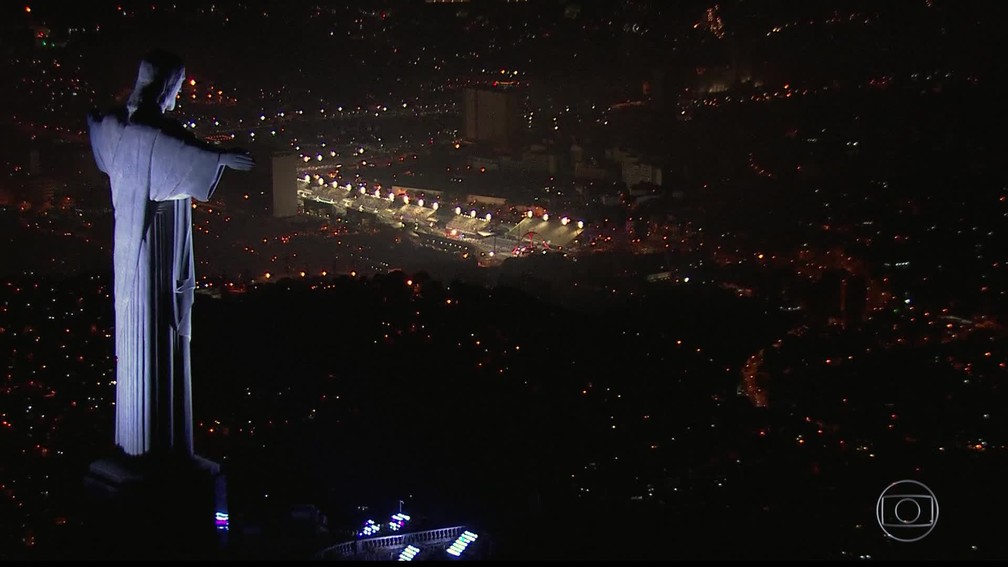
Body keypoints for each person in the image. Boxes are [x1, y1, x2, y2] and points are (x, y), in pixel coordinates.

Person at [87, 49, 254, 457]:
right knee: (158, 335)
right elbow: (182, 151)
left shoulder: (117, 127)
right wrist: (221, 157)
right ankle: (158, 454)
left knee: (135, 338)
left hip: (126, 255)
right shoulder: (151, 135)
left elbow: (96, 122)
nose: (178, 96)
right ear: (165, 87)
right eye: (177, 87)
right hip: (155, 255)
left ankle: (138, 446)